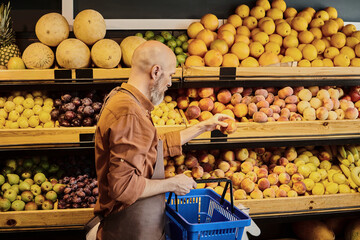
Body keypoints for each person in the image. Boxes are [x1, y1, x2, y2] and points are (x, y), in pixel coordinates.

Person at [93, 40, 232, 240]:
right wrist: (172, 184)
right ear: (156, 71)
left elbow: (152, 147)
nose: (170, 83)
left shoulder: (123, 98)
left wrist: (203, 126)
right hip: (130, 231)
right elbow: (122, 187)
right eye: (170, 75)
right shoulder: (129, 113)